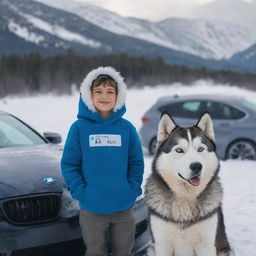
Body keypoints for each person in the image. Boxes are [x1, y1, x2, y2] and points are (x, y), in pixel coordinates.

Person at [61, 66, 144, 256]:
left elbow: (136, 163)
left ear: (118, 96)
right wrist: (81, 193)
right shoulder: (79, 128)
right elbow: (69, 165)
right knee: (96, 252)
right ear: (89, 95)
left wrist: (131, 190)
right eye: (98, 91)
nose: (104, 96)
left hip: (123, 207)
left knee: (124, 252)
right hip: (92, 208)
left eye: (110, 91)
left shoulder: (127, 128)